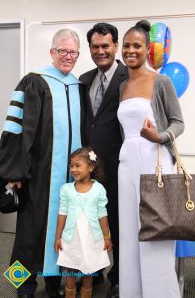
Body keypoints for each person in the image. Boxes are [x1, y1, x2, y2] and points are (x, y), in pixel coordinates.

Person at [0, 29, 83, 298]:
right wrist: (16, 171)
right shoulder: (33, 82)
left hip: (71, 179)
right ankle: (22, 284)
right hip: (38, 175)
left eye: (73, 52)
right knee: (29, 235)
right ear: (52, 52)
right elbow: (18, 128)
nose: (67, 56)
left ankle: (55, 283)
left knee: (64, 233)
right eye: (62, 51)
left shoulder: (79, 86)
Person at [118, 20, 184, 298]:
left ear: (147, 49)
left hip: (154, 161)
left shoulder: (161, 81)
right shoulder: (123, 84)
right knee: (130, 235)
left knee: (155, 235)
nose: (130, 50)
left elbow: (178, 123)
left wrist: (160, 137)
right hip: (127, 165)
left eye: (137, 45)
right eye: (126, 45)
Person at [80, 22, 128, 298]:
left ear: (116, 46)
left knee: (117, 225)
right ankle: (95, 271)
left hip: (119, 166)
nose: (100, 51)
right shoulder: (84, 79)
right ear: (90, 49)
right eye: (95, 47)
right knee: (90, 224)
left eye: (105, 46)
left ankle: (118, 278)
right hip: (89, 170)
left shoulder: (129, 76)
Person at [54, 147, 112, 298]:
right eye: (71, 166)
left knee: (89, 268)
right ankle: (70, 294)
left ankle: (86, 294)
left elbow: (102, 215)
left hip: (92, 237)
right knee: (71, 267)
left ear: (91, 167)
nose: (73, 169)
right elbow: (62, 214)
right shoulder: (66, 189)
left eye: (78, 165)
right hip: (71, 237)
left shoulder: (99, 189)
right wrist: (58, 237)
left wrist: (106, 237)